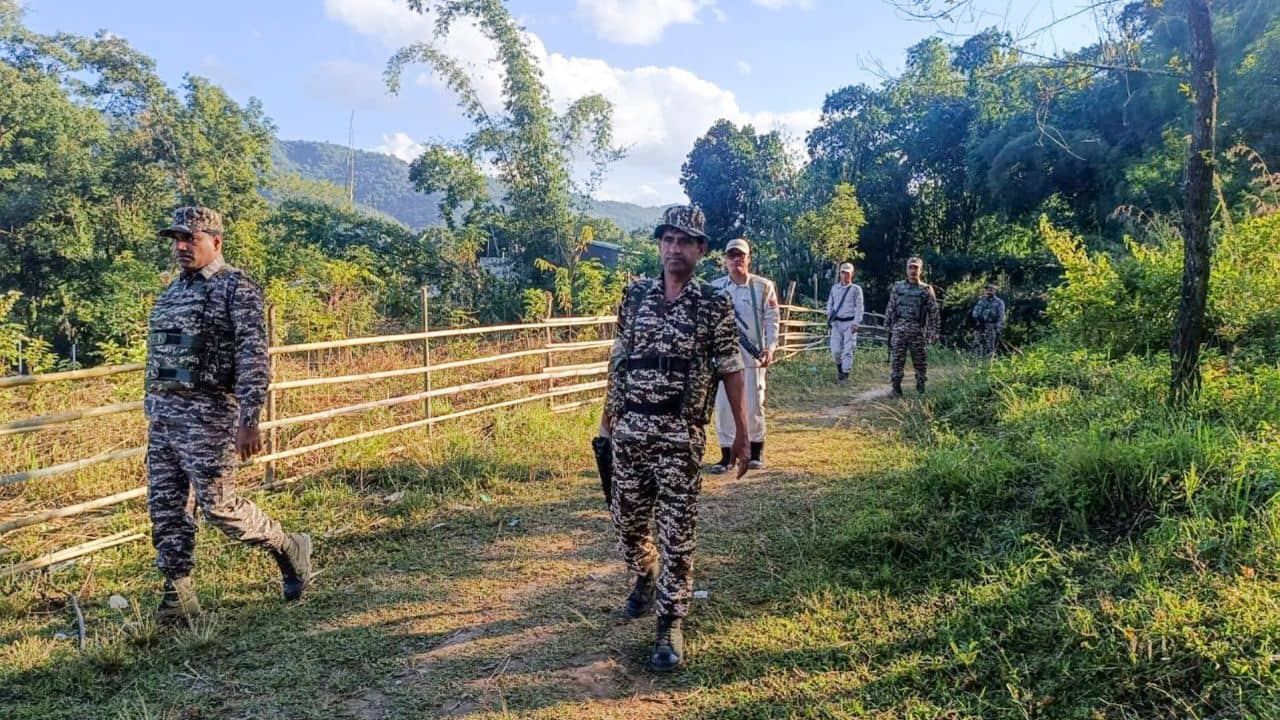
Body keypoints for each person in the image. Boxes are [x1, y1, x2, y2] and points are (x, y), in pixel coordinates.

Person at [601, 205, 750, 672]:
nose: (674, 248)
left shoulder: (713, 304)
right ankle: (645, 571)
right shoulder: (635, 296)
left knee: (677, 533)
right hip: (630, 431)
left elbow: (731, 369)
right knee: (627, 523)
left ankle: (669, 622)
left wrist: (741, 433)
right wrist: (607, 418)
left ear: (701, 249)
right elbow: (619, 359)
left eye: (684, 241)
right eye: (668, 239)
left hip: (680, 435)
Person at [146, 206, 312, 625]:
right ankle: (178, 595)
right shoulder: (172, 292)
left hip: (210, 418)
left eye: (191, 238)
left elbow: (253, 356)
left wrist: (249, 419)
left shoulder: (236, 288)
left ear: (216, 242)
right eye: (177, 239)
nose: (181, 246)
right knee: (166, 508)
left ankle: (288, 546)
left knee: (220, 507)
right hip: (165, 419)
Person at [707, 238, 779, 473]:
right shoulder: (715, 288)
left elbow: (772, 320)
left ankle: (756, 451)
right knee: (724, 406)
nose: (736, 259)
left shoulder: (763, 286)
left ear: (748, 258)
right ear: (725, 260)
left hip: (752, 357)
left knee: (754, 404)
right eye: (731, 255)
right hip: (724, 357)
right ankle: (727, 455)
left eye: (740, 255)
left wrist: (770, 348)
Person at [885, 256, 940, 396]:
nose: (913, 270)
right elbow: (891, 306)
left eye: (916, 268)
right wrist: (887, 325)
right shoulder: (898, 287)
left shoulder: (926, 289)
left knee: (920, 360)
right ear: (906, 269)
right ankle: (896, 388)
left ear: (921, 270)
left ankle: (921, 384)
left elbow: (934, 312)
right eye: (910, 267)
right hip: (899, 328)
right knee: (897, 359)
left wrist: (934, 331)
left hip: (917, 330)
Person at [825, 262, 864, 382]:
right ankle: (840, 369)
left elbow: (859, 307)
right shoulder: (835, 288)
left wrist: (856, 323)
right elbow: (830, 303)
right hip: (837, 323)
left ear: (852, 274)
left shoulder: (856, 289)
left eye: (847, 273)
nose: (845, 275)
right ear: (840, 273)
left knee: (848, 350)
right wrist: (829, 316)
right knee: (835, 350)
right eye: (843, 272)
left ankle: (845, 375)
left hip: (849, 323)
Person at [971, 283, 1006, 358]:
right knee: (977, 342)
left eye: (991, 290)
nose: (989, 291)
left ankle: (989, 360)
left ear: (994, 291)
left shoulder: (999, 302)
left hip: (991, 326)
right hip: (980, 325)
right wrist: (977, 319)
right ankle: (976, 359)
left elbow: (1001, 316)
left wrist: (998, 327)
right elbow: (975, 311)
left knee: (990, 345)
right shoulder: (981, 301)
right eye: (987, 290)